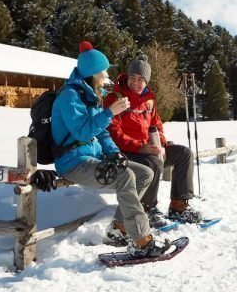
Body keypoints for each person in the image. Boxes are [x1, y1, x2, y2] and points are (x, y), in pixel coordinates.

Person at [37, 41, 169, 258]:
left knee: (145, 173)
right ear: (92, 73)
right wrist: (109, 113)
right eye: (103, 72)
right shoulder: (70, 97)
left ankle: (120, 228)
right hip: (73, 162)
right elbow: (81, 132)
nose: (107, 76)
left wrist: (114, 153)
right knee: (125, 176)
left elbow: (103, 133)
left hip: (93, 157)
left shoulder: (90, 95)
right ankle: (141, 241)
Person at [103, 54, 203, 228]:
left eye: (141, 79)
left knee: (184, 153)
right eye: (132, 77)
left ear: (147, 81)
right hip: (124, 152)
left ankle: (178, 205)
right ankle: (148, 209)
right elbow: (113, 133)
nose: (135, 82)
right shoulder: (116, 98)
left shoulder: (148, 101)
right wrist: (142, 148)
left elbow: (156, 125)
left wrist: (161, 145)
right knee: (154, 161)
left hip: (147, 149)